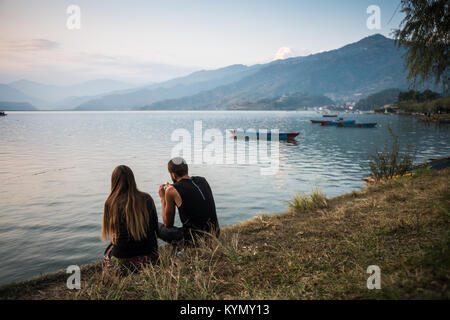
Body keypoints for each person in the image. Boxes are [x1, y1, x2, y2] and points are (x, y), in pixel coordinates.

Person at [102, 165, 159, 272]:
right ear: (132, 179)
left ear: (113, 181)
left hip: (122, 259)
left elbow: (113, 231)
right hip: (149, 256)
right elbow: (155, 227)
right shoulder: (146, 198)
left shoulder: (110, 202)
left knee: (108, 250)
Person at [158, 157, 219, 246]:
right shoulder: (202, 180)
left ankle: (153, 254)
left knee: (155, 226)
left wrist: (163, 198)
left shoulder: (171, 190)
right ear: (186, 170)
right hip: (214, 234)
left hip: (193, 240)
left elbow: (168, 224)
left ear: (173, 175)